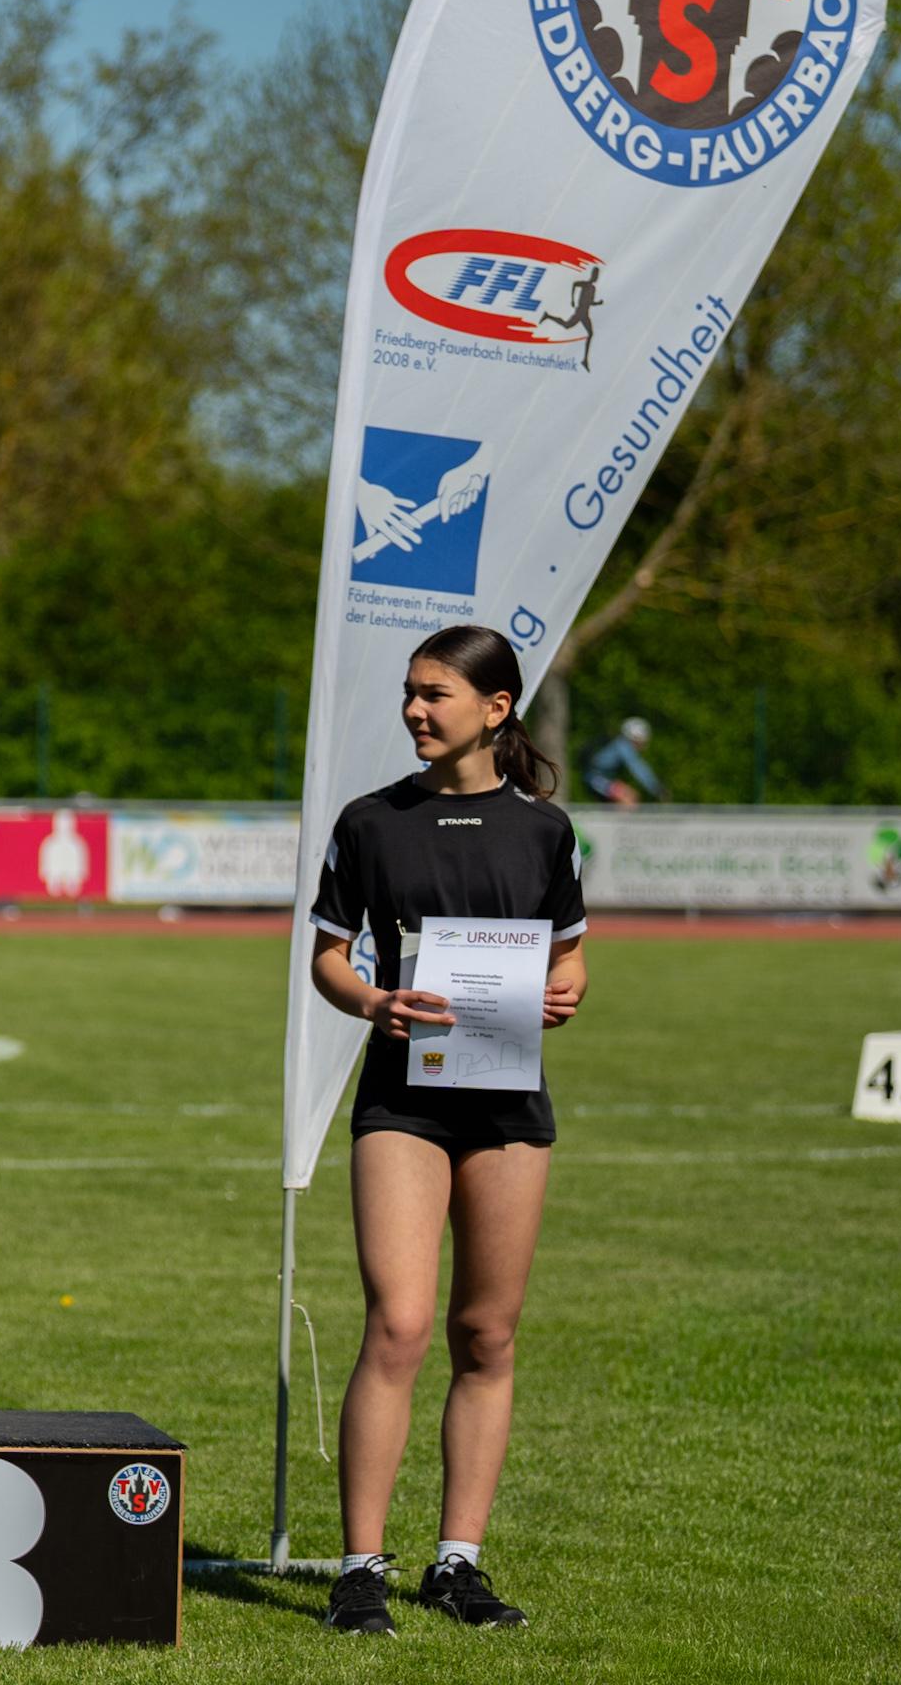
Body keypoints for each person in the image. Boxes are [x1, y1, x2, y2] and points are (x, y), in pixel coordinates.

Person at [307, 625, 586, 1634]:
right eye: (410, 691)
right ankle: (359, 1570)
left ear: (496, 708)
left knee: (487, 1333)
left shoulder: (546, 830)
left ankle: (457, 1564)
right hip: (404, 1104)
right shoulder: (370, 821)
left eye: (436, 694)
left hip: (508, 1109)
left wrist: (567, 991)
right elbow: (328, 956)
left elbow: (571, 957)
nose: (415, 709)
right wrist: (373, 1000)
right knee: (400, 1324)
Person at [582, 715, 664, 805]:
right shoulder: (624, 746)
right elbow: (638, 768)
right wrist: (656, 788)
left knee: (631, 798)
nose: (643, 745)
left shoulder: (619, 743)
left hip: (600, 778)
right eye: (642, 741)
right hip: (596, 778)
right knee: (629, 800)